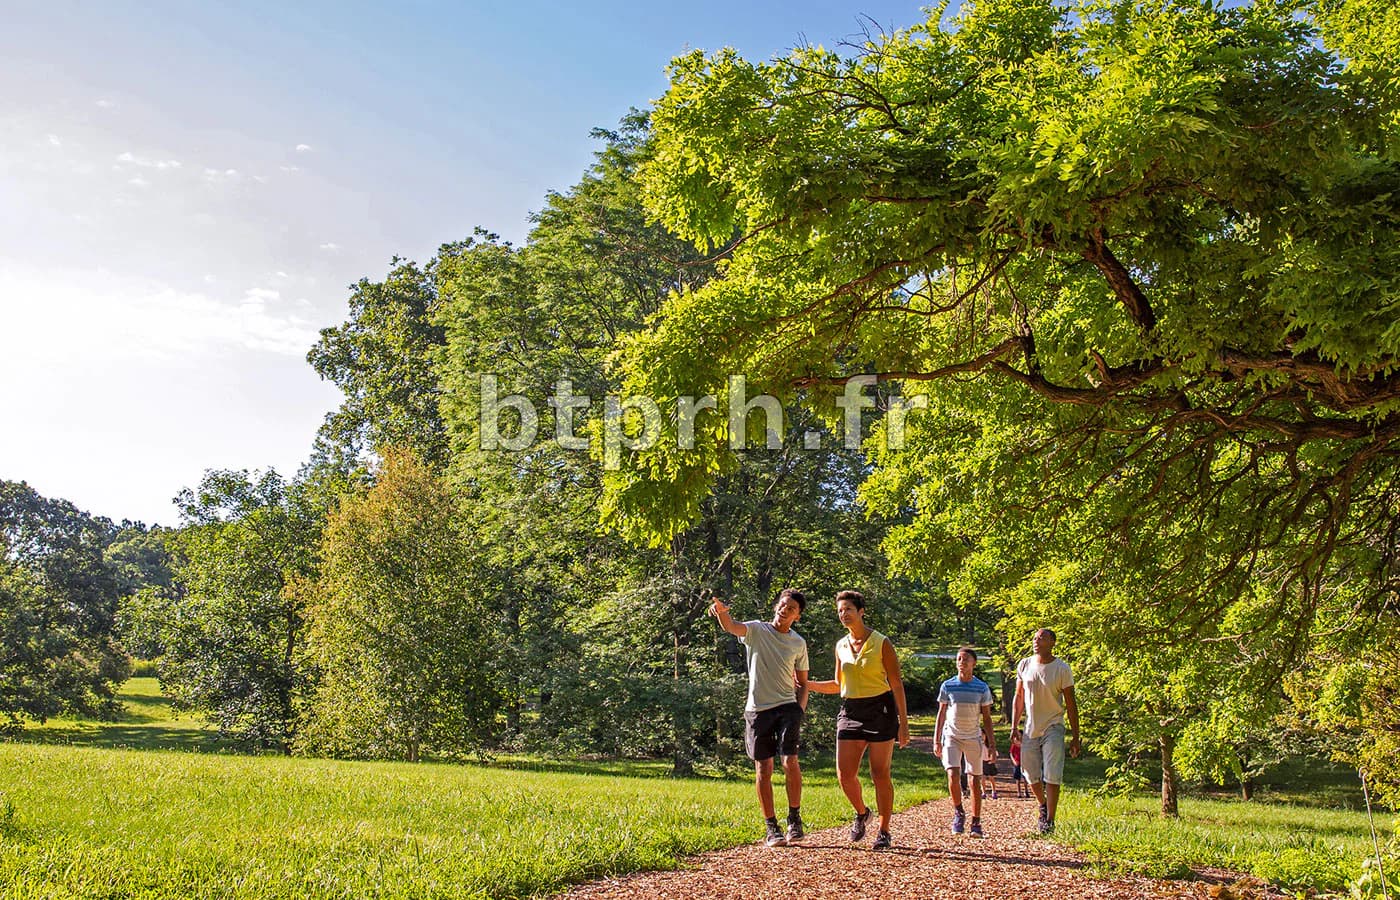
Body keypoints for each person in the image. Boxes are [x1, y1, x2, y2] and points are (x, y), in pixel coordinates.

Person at [807, 590, 910, 851]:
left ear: (860, 612)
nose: (843, 615)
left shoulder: (881, 642)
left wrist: (904, 724)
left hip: (881, 709)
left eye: (848, 610)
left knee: (879, 773)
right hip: (850, 710)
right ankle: (862, 812)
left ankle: (884, 830)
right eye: (840, 611)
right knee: (845, 775)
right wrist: (807, 684)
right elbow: (838, 684)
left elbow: (896, 684)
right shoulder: (840, 645)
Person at [710, 589, 810, 848]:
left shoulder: (798, 643)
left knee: (790, 762)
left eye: (791, 609)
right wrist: (722, 613)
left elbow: (803, 682)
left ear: (797, 616)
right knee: (763, 768)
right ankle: (771, 827)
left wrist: (800, 709)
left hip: (787, 707)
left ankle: (794, 819)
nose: (784, 610)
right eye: (782, 605)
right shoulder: (756, 630)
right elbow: (732, 627)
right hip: (757, 710)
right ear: (777, 605)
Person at [1012, 627, 1080, 833]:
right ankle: (1042, 804)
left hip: (1054, 726)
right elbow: (1019, 697)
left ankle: (1049, 820)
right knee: (1030, 773)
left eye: (1041, 638)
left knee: (1051, 772)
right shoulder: (1025, 664)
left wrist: (1076, 736)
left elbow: (1070, 703)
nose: (1036, 641)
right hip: (1031, 727)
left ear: (1052, 643)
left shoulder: (1062, 669)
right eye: (1034, 638)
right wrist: (1014, 726)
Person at [935, 647, 997, 838]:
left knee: (974, 780)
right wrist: (936, 740)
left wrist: (992, 745)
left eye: (965, 659)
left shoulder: (982, 688)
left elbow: (987, 718)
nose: (961, 662)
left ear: (974, 664)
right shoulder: (948, 686)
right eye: (959, 659)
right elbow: (941, 713)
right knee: (953, 774)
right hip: (952, 737)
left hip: (973, 738)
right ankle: (958, 812)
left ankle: (976, 822)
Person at [1009, 730, 1029, 798]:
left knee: (1025, 778)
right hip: (1017, 763)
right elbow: (1011, 753)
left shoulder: (1025, 744)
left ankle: (1026, 791)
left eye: (1020, 735)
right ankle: (1019, 792)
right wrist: (1014, 761)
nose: (1019, 737)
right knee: (1017, 778)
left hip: (1024, 763)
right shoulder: (1014, 745)